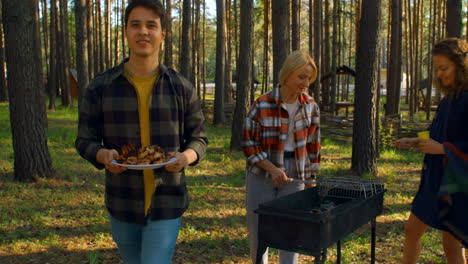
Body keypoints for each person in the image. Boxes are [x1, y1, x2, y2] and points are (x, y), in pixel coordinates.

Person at [75, 0, 208, 263]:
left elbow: (199, 137)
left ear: (162, 34)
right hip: (122, 199)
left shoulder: (180, 87)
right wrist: (102, 155)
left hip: (167, 200)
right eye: (135, 25)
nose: (143, 32)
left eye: (151, 25)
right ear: (125, 31)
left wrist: (186, 157)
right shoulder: (101, 86)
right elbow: (84, 139)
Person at [242, 50, 321, 264]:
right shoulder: (262, 104)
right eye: (301, 76)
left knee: (291, 233)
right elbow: (248, 144)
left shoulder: (311, 106)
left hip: (296, 173)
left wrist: (311, 179)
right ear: (286, 75)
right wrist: (272, 169)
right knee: (260, 231)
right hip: (261, 173)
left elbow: (314, 147)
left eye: (309, 78)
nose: (305, 83)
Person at [394, 38, 468, 264]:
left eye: (444, 68)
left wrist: (444, 149)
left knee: (451, 245)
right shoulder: (449, 100)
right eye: (437, 69)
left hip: (457, 183)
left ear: (461, 65)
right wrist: (415, 141)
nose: (439, 74)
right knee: (412, 230)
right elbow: (439, 132)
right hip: (435, 179)